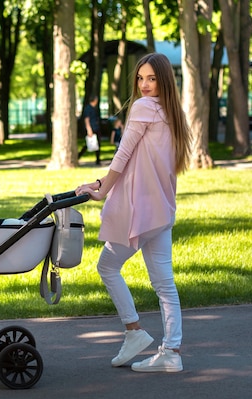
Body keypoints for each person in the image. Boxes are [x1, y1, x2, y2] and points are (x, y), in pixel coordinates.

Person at [75, 52, 192, 372]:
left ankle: (134, 331)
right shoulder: (173, 115)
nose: (144, 84)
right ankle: (172, 352)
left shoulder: (143, 108)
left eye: (151, 78)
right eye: (140, 78)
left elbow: (123, 155)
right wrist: (102, 183)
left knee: (107, 266)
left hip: (141, 212)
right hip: (163, 212)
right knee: (165, 284)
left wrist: (101, 190)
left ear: (163, 80)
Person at [78, 95, 101, 165]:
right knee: (88, 144)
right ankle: (78, 156)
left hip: (96, 127)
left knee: (97, 143)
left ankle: (98, 160)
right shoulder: (88, 109)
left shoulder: (94, 108)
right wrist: (89, 129)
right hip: (92, 128)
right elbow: (87, 119)